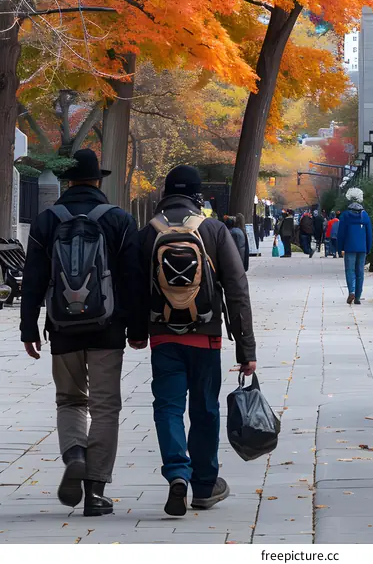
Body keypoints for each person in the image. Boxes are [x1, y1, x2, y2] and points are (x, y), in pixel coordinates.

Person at [19, 148, 145, 517]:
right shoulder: (118, 219)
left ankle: (74, 453)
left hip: (62, 329)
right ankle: (96, 490)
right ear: (98, 180)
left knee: (70, 400)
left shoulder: (47, 220)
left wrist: (29, 328)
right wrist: (136, 328)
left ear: (68, 181)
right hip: (108, 327)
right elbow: (133, 278)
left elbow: (33, 279)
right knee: (105, 406)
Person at [138, 165, 256, 517]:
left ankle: (177, 473)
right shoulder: (214, 230)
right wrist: (246, 348)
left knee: (168, 406)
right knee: (204, 409)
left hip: (163, 336)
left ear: (165, 192)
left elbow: (131, 284)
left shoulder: (148, 233)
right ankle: (205, 486)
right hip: (205, 336)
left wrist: (135, 331)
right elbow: (237, 290)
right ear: (197, 195)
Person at [337, 190, 372, 305]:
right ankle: (358, 296)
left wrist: (339, 248)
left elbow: (341, 233)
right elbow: (369, 234)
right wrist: (368, 248)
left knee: (350, 270)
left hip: (349, 247)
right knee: (360, 272)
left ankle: (351, 291)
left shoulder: (345, 215)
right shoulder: (365, 216)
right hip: (362, 248)